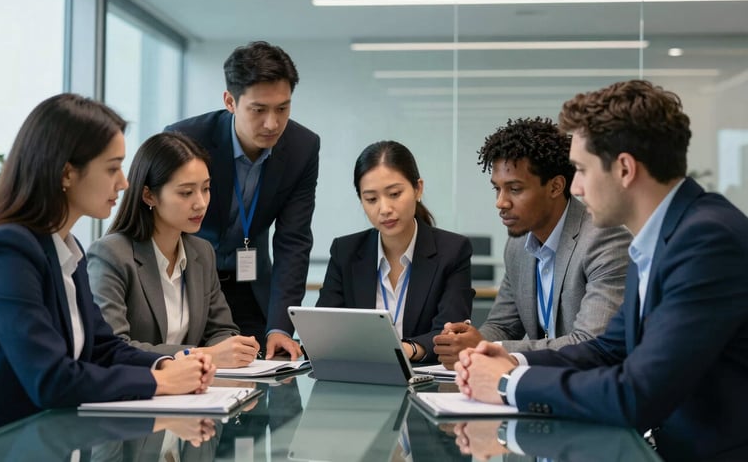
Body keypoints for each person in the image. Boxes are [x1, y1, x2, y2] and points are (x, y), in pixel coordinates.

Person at [455, 80, 748, 461]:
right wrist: (509, 358)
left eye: (580, 169)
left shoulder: (705, 240)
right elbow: (610, 348)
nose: (574, 187)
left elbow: (637, 393)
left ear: (624, 169)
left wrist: (510, 383)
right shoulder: (664, 235)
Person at [0, 93, 215, 433]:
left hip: (56, 440)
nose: (123, 182)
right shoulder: (9, 248)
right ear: (66, 174)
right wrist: (158, 382)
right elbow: (51, 378)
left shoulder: (66, 247)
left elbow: (102, 348)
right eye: (112, 167)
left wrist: (170, 363)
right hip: (9, 444)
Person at [433, 117, 631, 368]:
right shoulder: (518, 246)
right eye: (497, 189)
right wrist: (468, 340)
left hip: (591, 390)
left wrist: (490, 348)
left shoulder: (604, 239)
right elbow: (503, 325)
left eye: (515, 189)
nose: (501, 202)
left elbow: (590, 343)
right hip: (542, 386)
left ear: (556, 186)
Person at [165, 41, 319, 360]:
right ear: (230, 101)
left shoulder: (303, 148)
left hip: (250, 285)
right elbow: (160, 222)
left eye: (282, 108)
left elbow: (294, 241)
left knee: (262, 372)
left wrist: (280, 327)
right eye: (258, 109)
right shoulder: (186, 139)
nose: (272, 123)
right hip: (186, 281)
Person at [87, 132, 260, 368]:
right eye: (186, 192)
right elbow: (113, 345)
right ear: (149, 195)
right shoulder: (111, 254)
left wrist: (234, 349)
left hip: (195, 392)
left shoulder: (202, 252)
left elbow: (222, 330)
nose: (200, 203)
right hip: (137, 392)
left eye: (206, 189)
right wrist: (202, 355)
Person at [316, 141, 474, 363]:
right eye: (371, 199)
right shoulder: (345, 252)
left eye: (394, 194)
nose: (384, 209)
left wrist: (406, 350)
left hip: (425, 382)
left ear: (418, 189)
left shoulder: (453, 251)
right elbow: (325, 327)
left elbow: (450, 332)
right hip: (359, 378)